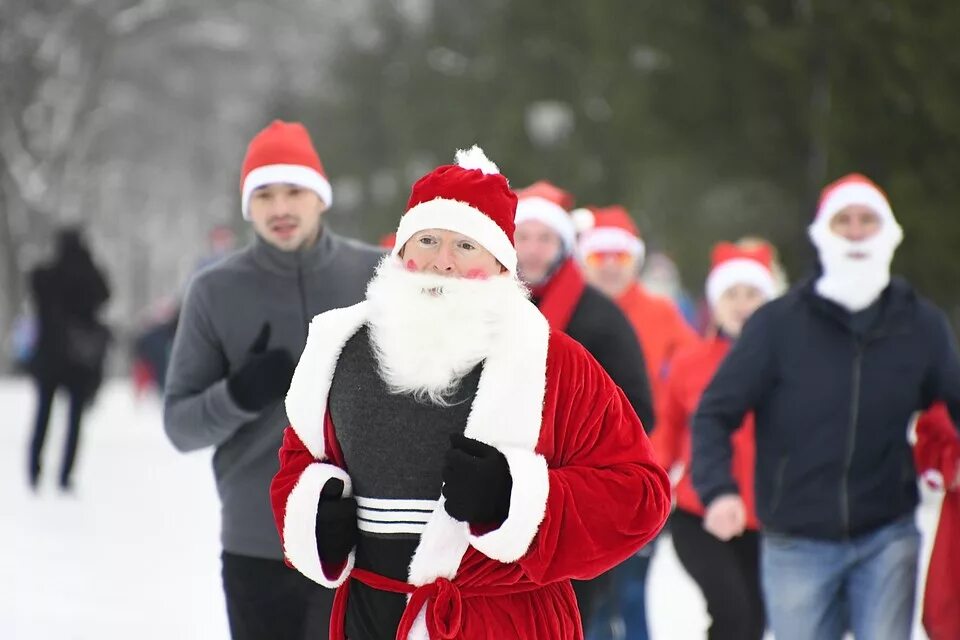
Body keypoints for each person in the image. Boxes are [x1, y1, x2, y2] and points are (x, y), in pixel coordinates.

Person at [270, 146, 671, 640]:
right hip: (368, 618)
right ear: (400, 252)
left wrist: (516, 500)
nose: (442, 263)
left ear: (501, 264)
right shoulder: (338, 348)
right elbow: (298, 460)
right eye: (429, 240)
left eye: (465, 246)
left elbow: (640, 495)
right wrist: (312, 517)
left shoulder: (554, 362)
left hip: (501, 621)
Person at [692, 173, 960, 640]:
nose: (856, 232)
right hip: (796, 541)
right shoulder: (778, 324)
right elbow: (716, 410)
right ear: (822, 234)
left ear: (889, 233)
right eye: (843, 221)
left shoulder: (920, 324)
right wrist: (719, 490)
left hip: (887, 535)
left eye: (867, 220)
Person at [163, 120, 382, 640]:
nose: (280, 208)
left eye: (294, 191)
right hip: (258, 540)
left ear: (320, 197)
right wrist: (239, 394)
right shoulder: (214, 291)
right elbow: (180, 425)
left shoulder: (378, 275)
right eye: (264, 194)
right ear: (248, 205)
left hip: (362, 536)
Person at [512, 183, 655, 633]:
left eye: (545, 238)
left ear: (563, 246)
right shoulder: (494, 307)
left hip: (571, 501)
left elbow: (637, 412)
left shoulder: (599, 319)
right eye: (524, 237)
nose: (533, 250)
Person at [576, 205, 698, 640]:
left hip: (643, 475)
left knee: (630, 591)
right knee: (586, 595)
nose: (610, 268)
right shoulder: (566, 310)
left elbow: (698, 379)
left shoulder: (661, 312)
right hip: (579, 479)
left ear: (637, 261)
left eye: (621, 258)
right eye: (598, 258)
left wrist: (678, 451)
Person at [654, 242, 777, 640]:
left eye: (752, 294)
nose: (742, 304)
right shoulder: (690, 363)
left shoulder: (786, 362)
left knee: (755, 621)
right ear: (715, 301)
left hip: (768, 517)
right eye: (732, 294)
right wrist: (644, 484)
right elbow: (667, 432)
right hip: (699, 513)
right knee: (733, 614)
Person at [27, 227, 111, 491]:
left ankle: (34, 470)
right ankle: (65, 475)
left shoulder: (47, 275)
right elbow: (105, 294)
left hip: (51, 358)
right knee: (73, 421)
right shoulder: (86, 275)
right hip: (78, 360)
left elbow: (35, 287)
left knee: (43, 415)